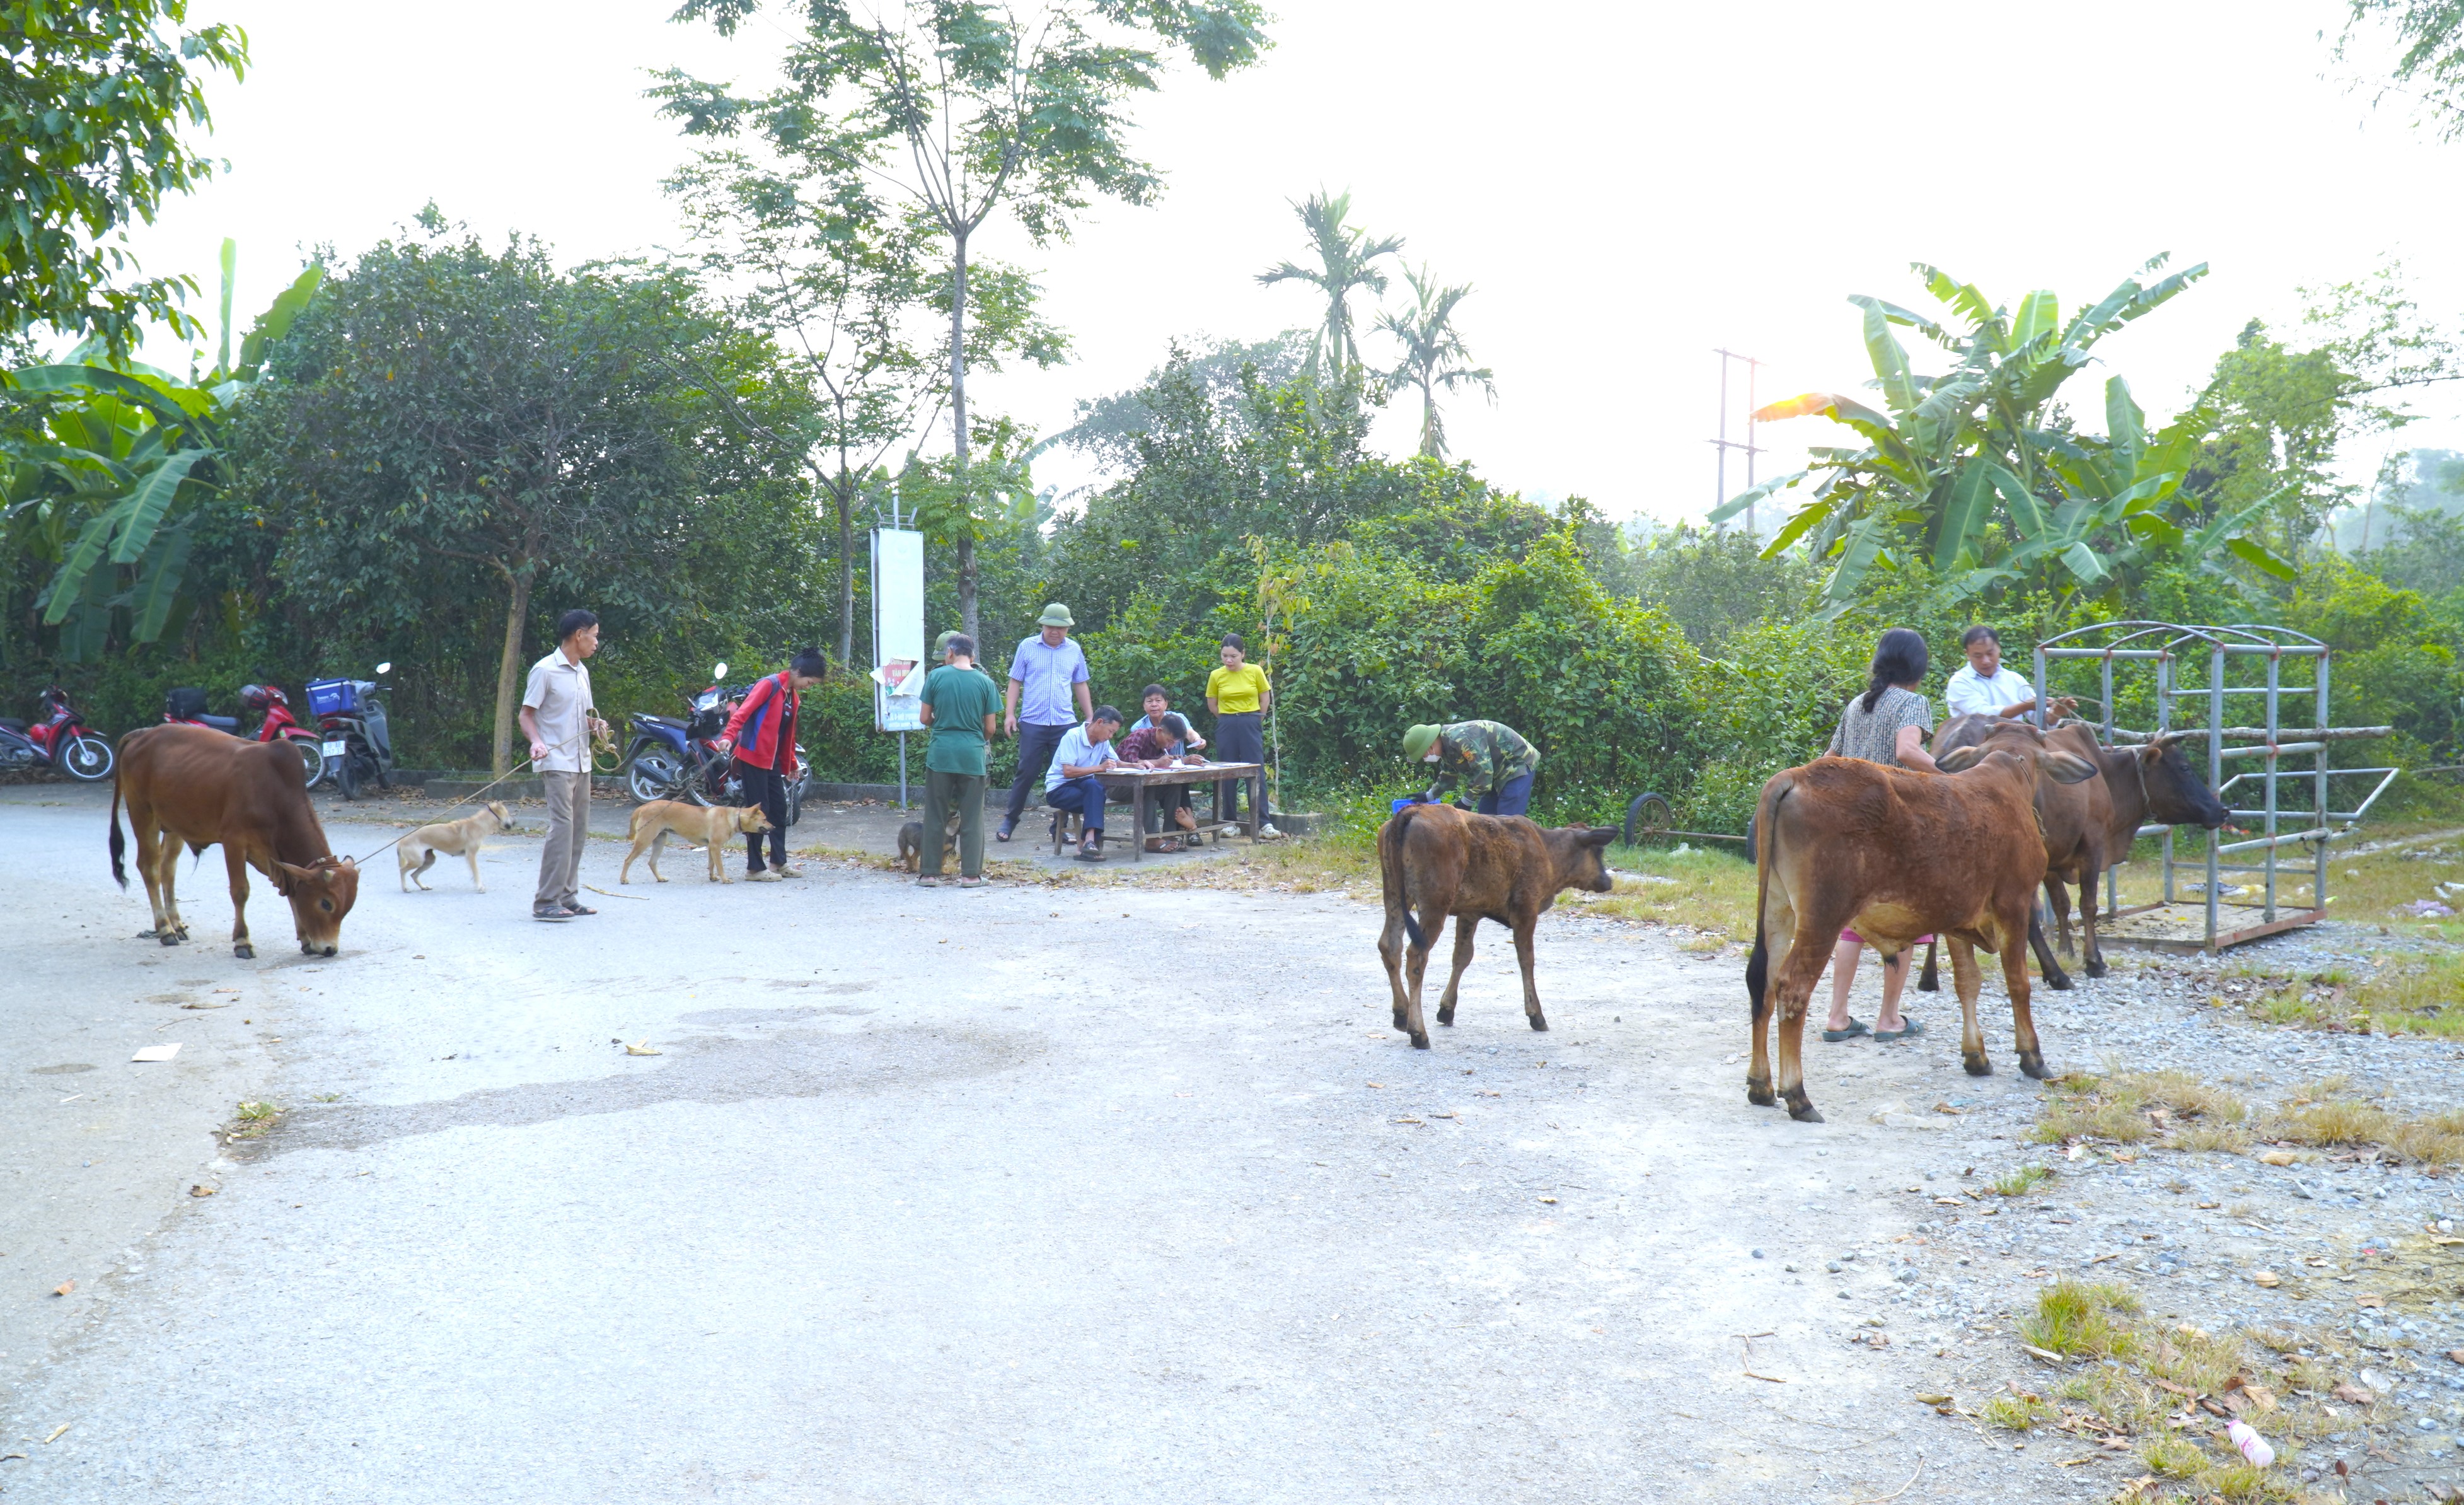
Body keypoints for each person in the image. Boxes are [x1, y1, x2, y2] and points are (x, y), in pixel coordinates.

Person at [1820, 626, 1940, 1045]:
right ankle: (1889, 1018)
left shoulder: (1856, 704)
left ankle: (1837, 1016)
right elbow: (1907, 751)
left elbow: (1827, 761)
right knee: (1902, 922)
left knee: (1852, 922)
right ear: (1917, 667)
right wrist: (1947, 777)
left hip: (1851, 831)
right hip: (1893, 831)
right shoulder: (1912, 702)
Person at [519, 608, 610, 922]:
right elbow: (526, 715)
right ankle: (545, 901)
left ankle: (568, 896)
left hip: (582, 761)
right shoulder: (544, 670)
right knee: (562, 828)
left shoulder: (582, 672)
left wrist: (595, 724)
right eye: (595, 636)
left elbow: (582, 716)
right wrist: (536, 741)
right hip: (556, 761)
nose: (597, 642)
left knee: (579, 830)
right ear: (579, 635)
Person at [718, 649, 825, 881]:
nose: (809, 686)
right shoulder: (770, 685)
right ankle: (754, 868)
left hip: (773, 762)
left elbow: (788, 735)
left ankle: (778, 862)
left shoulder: (792, 697)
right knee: (757, 812)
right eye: (810, 681)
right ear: (798, 672)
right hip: (753, 757)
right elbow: (743, 713)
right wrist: (728, 736)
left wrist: (792, 763)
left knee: (779, 809)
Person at [998, 603, 1092, 842]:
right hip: (1033, 721)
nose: (1055, 632)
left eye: (1061, 628)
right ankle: (1010, 820)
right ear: (1042, 625)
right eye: (1051, 627)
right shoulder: (1028, 647)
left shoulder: (1073, 650)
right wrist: (1010, 714)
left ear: (1068, 629)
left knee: (1066, 775)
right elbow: (1015, 681)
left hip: (1064, 722)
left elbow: (1080, 683)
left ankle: (1059, 829)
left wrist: (1090, 717)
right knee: (1026, 772)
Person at [917, 634, 1002, 888]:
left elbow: (924, 718)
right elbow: (991, 728)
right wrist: (974, 736)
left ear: (950, 654)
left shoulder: (936, 677)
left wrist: (942, 724)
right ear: (973, 657)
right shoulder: (985, 682)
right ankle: (971, 875)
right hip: (972, 755)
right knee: (972, 816)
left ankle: (929, 874)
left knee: (935, 814)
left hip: (941, 752)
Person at [1206, 635, 1276, 837]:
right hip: (1227, 724)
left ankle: (1264, 823)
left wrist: (1256, 720)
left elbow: (1265, 698)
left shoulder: (1255, 670)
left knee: (1256, 771)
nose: (1229, 661)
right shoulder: (1216, 675)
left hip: (1250, 722)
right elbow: (1213, 704)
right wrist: (1229, 719)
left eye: (1233, 656)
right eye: (1224, 656)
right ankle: (1230, 822)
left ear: (1243, 654)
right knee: (1228, 772)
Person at [1401, 719, 1541, 816]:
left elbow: (1484, 772)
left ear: (1430, 746)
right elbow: (1448, 775)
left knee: (1507, 820)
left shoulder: (1460, 739)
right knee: (1486, 818)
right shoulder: (1445, 746)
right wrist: (1429, 796)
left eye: (1424, 755)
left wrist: (1466, 801)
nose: (1426, 759)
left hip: (1516, 763)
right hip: (1495, 772)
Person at [1943, 624, 2075, 722]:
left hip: (2015, 746)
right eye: (1978, 656)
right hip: (1973, 748)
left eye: (1990, 653)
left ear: (1999, 648)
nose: (1986, 661)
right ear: (1967, 654)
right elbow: (1984, 716)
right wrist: (2026, 706)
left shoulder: (2015, 680)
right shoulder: (1960, 682)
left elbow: (2041, 720)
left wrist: (2056, 713)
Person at [1043, 705, 1125, 861]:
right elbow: (1068, 771)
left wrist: (1139, 765)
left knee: (1095, 788)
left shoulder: (1103, 743)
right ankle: (1087, 845)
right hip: (1060, 789)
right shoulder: (1072, 736)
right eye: (1110, 731)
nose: (1111, 736)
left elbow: (1117, 762)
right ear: (1099, 722)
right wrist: (1099, 768)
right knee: (1095, 792)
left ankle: (1089, 841)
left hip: (1085, 788)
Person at [1118, 711, 1205, 851]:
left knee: (1174, 786)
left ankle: (1170, 834)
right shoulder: (1140, 735)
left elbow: (1166, 762)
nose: (1170, 746)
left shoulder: (1163, 745)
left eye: (1174, 743)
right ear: (1160, 731)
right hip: (1119, 785)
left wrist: (1183, 760)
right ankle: (1152, 839)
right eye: (1169, 741)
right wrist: (1157, 762)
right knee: (1147, 785)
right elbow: (1128, 761)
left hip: (1144, 785)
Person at [1130, 685, 1205, 837]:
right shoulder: (1138, 728)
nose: (1154, 705)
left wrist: (1198, 741)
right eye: (1149, 701)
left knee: (1179, 780)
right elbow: (1137, 759)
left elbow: (1190, 733)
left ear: (1166, 704)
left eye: (1158, 700)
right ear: (1144, 705)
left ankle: (1183, 825)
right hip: (1154, 776)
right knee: (1175, 783)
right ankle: (1189, 826)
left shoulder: (1177, 719)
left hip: (1179, 770)